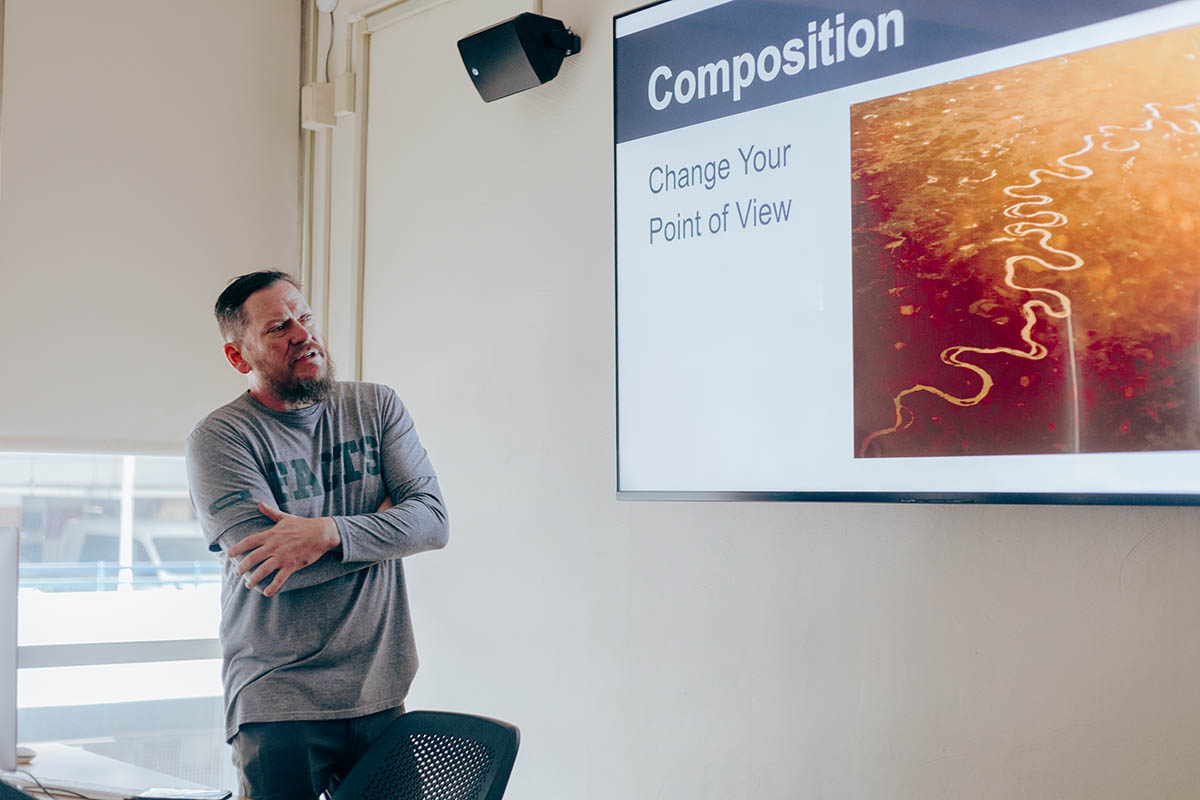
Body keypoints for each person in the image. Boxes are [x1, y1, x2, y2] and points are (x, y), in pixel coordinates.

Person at [184, 270, 448, 800]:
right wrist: (384, 527)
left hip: (380, 689)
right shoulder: (220, 438)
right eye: (279, 327)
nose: (303, 334)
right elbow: (271, 572)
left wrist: (327, 533)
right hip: (278, 701)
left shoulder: (376, 407)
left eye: (305, 318)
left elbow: (432, 523)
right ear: (240, 358)